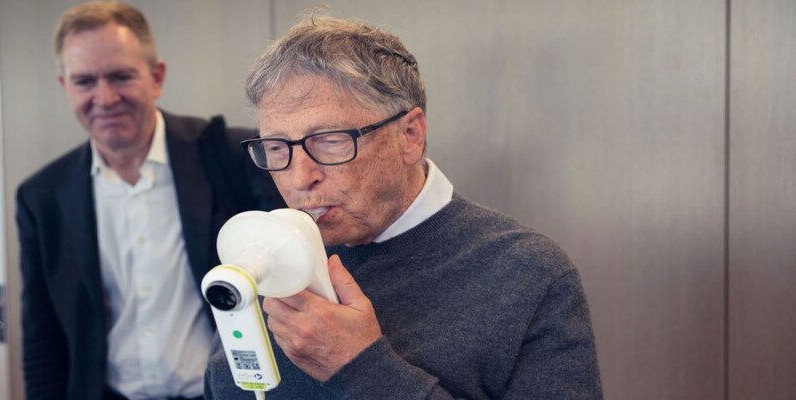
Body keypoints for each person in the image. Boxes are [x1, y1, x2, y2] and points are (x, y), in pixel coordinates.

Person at [204, 14, 602, 400]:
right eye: (276, 147)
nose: (299, 178)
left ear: (410, 135)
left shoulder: (528, 272)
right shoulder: (265, 256)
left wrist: (360, 368)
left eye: (329, 140)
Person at [15, 2, 285, 400]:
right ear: (65, 86)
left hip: (224, 393)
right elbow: (43, 341)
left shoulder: (232, 157)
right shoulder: (42, 198)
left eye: (121, 76)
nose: (105, 98)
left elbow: (289, 288)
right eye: (84, 81)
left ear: (156, 77)